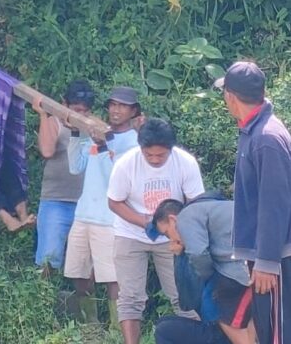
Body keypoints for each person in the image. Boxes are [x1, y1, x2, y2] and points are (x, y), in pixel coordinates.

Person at [107, 118, 205, 344]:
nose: (154, 160)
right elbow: (114, 202)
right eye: (148, 155)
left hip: (172, 236)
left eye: (161, 155)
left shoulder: (186, 163)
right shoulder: (126, 164)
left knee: (183, 296)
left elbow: (196, 204)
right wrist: (146, 222)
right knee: (130, 297)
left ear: (171, 149)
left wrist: (179, 234)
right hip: (129, 233)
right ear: (140, 148)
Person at [216, 60, 291, 343]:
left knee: (280, 330)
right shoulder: (254, 131)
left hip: (277, 257)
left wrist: (267, 261)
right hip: (266, 254)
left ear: (231, 97)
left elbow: (275, 205)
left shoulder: (266, 138)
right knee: (269, 328)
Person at [65, 86, 142, 326]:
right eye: (112, 104)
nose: (116, 110)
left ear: (133, 111)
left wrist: (104, 144)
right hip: (83, 214)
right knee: (79, 274)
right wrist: (77, 134)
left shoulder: (135, 142)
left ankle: (117, 330)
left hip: (110, 219)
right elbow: (75, 167)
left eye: (123, 105)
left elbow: (120, 181)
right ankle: (91, 327)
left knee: (113, 279)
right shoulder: (95, 133)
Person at [152, 196, 255, 344]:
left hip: (244, 266)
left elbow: (198, 255)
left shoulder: (186, 217)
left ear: (173, 219)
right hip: (249, 261)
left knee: (217, 307)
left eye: (167, 234)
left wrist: (181, 256)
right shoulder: (208, 210)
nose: (171, 241)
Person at [31, 80, 93, 273]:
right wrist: (44, 115)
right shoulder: (54, 121)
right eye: (76, 110)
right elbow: (47, 151)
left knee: (86, 263)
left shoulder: (93, 126)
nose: (80, 115)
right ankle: (43, 298)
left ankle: (85, 301)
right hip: (56, 201)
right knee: (48, 259)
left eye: (85, 111)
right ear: (64, 104)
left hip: (87, 205)